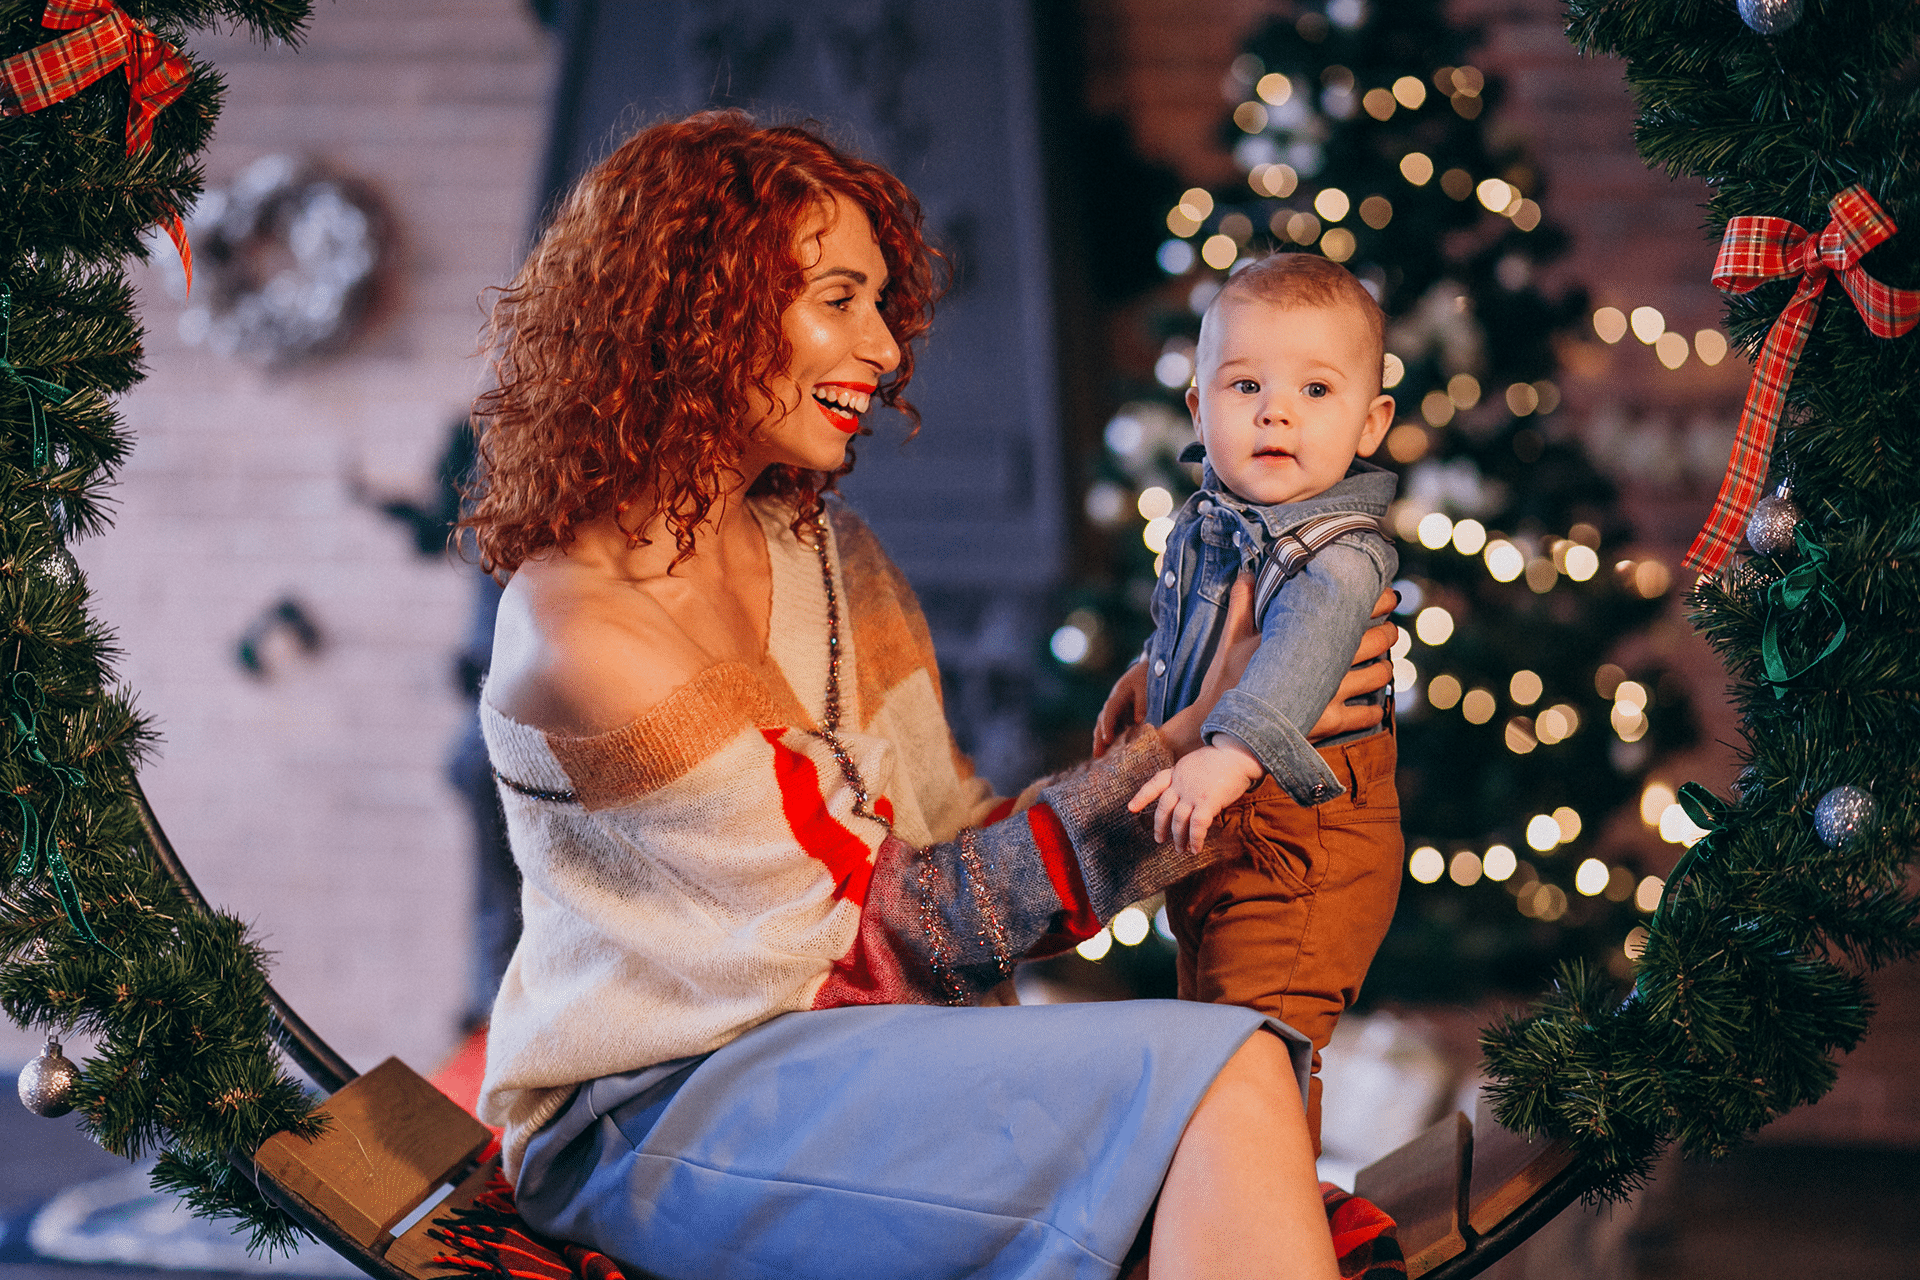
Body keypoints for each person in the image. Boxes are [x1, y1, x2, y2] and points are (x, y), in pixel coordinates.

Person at [465, 110, 1394, 1280]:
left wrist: (1196, 713)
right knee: (1222, 1070)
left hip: (851, 1058)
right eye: (839, 299)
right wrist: (1186, 739)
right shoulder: (584, 627)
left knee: (1237, 1062)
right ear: (702, 305)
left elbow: (948, 841)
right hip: (658, 1113)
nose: (886, 348)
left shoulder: (827, 550)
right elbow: (881, 930)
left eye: (880, 305)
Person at [1094, 253, 1404, 1151]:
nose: (1276, 411)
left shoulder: (1337, 556)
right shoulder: (1212, 518)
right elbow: (1191, 625)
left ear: (1371, 420)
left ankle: (1270, 1225)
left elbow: (1298, 659)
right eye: (1246, 385)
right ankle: (1228, 1214)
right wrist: (1149, 677)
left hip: (1305, 846)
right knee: (1210, 1033)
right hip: (1219, 835)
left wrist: (1229, 755)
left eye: (1315, 389)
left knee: (1256, 1057)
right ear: (1198, 408)